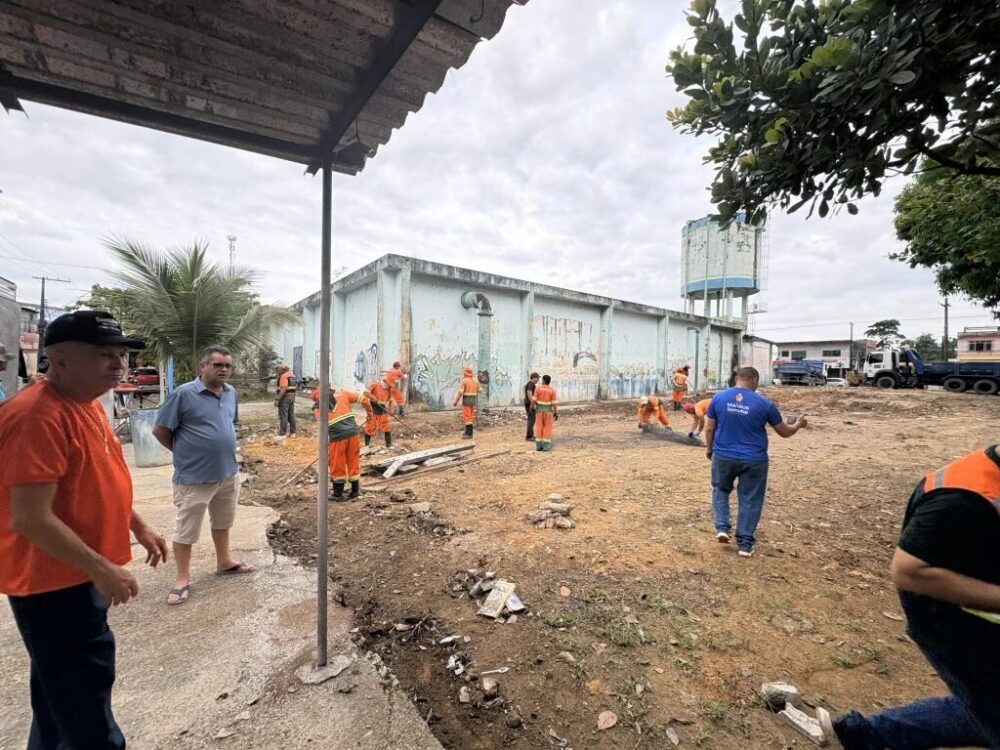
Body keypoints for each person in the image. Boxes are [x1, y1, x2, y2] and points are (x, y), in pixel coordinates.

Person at [0, 310, 167, 749]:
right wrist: (101, 567)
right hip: (54, 581)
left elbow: (96, 476)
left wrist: (139, 525)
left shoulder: (86, 405)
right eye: (102, 354)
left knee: (58, 695)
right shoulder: (36, 416)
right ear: (59, 360)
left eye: (120, 355)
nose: (118, 365)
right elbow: (31, 518)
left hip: (74, 573)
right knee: (85, 698)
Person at [811, 445, 1000, 749]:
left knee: (983, 706)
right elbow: (908, 571)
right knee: (988, 704)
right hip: (957, 625)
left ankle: (864, 734)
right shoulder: (960, 497)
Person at [153, 346, 252, 606]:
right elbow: (160, 430)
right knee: (187, 529)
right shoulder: (184, 394)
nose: (224, 370)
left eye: (228, 366)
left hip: (227, 473)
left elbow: (230, 425)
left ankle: (224, 561)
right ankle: (182, 579)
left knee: (223, 521)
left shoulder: (231, 394)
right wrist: (184, 451)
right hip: (194, 477)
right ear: (202, 366)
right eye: (218, 365)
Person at [704, 367, 806, 557]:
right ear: (755, 380)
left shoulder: (718, 398)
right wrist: (798, 425)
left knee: (720, 489)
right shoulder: (764, 404)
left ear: (737, 378)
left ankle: (722, 528)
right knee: (750, 498)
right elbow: (784, 432)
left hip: (723, 455)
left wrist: (710, 448)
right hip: (754, 460)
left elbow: (709, 428)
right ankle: (744, 544)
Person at [327, 388, 372, 501]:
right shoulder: (344, 393)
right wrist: (370, 413)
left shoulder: (320, 403)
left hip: (337, 437)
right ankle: (355, 491)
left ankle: (338, 494)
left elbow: (323, 427)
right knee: (353, 461)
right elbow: (365, 399)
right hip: (353, 433)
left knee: (337, 463)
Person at [364, 375, 395, 448]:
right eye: (389, 385)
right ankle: (366, 446)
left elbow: (391, 400)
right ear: (385, 382)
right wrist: (373, 398)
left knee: (386, 427)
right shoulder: (375, 385)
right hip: (373, 409)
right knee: (369, 427)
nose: (389, 386)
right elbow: (365, 393)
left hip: (382, 409)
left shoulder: (389, 389)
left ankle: (389, 445)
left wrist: (391, 410)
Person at [531, 374, 558, 452]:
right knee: (547, 428)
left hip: (539, 411)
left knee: (539, 428)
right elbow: (554, 403)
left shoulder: (538, 389)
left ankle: (538, 446)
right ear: (549, 382)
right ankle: (545, 446)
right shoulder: (552, 390)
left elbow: (533, 400)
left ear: (543, 380)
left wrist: (531, 408)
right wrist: (556, 412)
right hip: (548, 412)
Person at [452, 366, 480, 439]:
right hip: (473, 401)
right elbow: (480, 390)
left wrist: (456, 401)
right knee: (470, 416)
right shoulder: (476, 381)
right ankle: (468, 432)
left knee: (467, 417)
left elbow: (460, 392)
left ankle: (469, 433)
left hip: (466, 401)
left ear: (465, 373)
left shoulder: (464, 381)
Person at [274, 362, 297, 437]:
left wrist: (277, 399)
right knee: (291, 415)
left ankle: (282, 433)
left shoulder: (283, 376)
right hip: (292, 396)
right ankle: (293, 432)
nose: (278, 371)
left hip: (285, 397)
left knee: (283, 415)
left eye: (279, 370)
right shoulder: (292, 375)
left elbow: (283, 388)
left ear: (284, 370)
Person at [523, 372, 540, 441]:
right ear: (534, 377)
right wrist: (532, 404)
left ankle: (530, 435)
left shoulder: (531, 384)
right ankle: (529, 436)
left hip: (529, 403)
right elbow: (529, 394)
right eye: (537, 378)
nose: (538, 379)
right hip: (530, 404)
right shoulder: (530, 384)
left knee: (532, 419)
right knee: (531, 420)